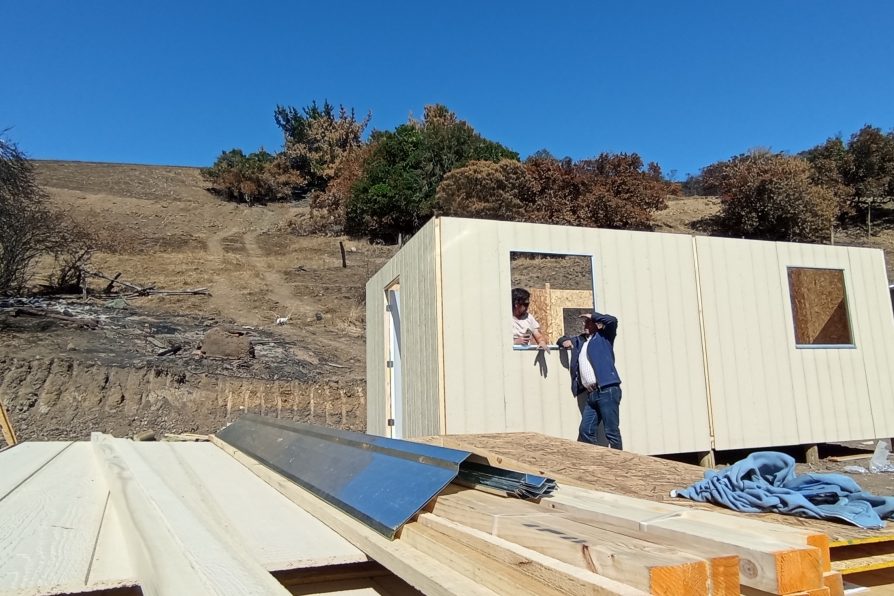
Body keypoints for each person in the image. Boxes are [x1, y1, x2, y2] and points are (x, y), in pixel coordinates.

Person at [557, 312, 623, 449]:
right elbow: (561, 339)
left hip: (607, 389)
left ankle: (619, 465)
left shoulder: (605, 336)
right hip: (591, 394)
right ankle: (599, 461)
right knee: (585, 431)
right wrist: (564, 342)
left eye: (588, 322)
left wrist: (593, 315)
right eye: (584, 322)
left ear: (597, 324)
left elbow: (612, 320)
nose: (584, 325)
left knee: (611, 432)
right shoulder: (581, 341)